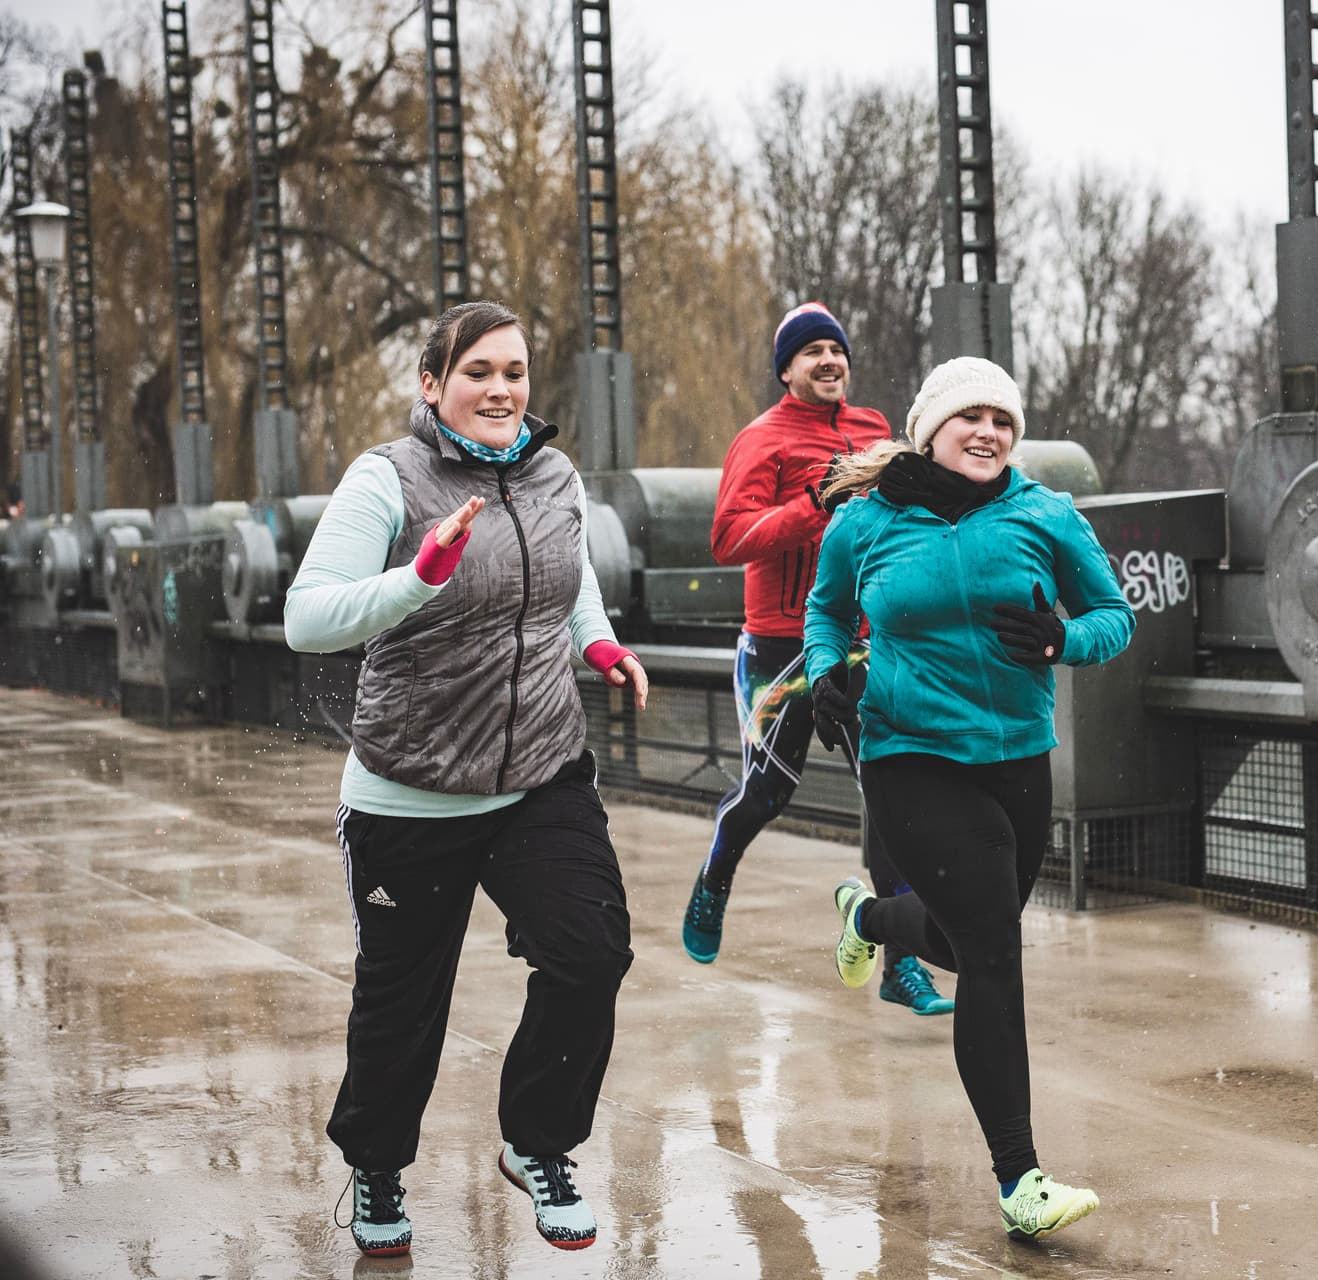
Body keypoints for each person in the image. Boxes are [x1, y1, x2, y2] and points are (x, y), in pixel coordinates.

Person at [285, 300, 646, 1258]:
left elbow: (570, 575)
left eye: (515, 371)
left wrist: (598, 642)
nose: (501, 388)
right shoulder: (388, 480)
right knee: (405, 1008)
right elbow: (308, 618)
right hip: (411, 790)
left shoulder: (552, 470)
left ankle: (538, 1141)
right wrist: (418, 576)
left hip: (539, 774)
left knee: (590, 955)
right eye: (479, 371)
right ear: (432, 384)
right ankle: (376, 1168)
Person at [803, 356, 1135, 1240]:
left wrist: (1065, 638)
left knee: (961, 938)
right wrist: (827, 670)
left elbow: (1118, 616)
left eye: (1003, 420)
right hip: (908, 755)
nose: (989, 432)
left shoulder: (1045, 515)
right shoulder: (866, 521)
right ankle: (1020, 1181)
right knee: (993, 951)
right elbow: (827, 610)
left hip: (1017, 760)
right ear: (931, 428)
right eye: (971, 417)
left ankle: (868, 922)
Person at [684, 301, 954, 1016]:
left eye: (837, 351)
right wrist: (814, 501)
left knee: (892, 800)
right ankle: (714, 877)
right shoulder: (762, 439)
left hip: (861, 644)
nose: (830, 361)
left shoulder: (873, 431)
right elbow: (728, 539)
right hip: (778, 646)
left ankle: (902, 966)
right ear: (787, 369)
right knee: (769, 793)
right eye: (813, 353)